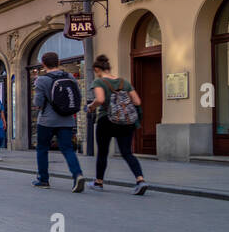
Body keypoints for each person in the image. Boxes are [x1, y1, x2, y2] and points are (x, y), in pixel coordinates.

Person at [88, 54, 148, 195]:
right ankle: (140, 180)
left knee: (102, 152)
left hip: (106, 120)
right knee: (127, 152)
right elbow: (137, 102)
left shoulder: (99, 82)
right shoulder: (124, 82)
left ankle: (99, 182)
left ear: (97, 69)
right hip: (126, 121)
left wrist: (91, 106)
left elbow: (101, 99)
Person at [32, 50, 85, 192]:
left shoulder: (42, 80)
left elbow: (38, 102)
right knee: (67, 148)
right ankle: (77, 174)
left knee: (42, 149)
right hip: (67, 119)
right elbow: (77, 96)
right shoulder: (69, 77)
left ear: (43, 64)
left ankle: (44, 180)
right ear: (59, 62)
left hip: (46, 121)